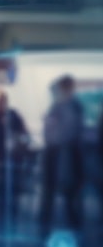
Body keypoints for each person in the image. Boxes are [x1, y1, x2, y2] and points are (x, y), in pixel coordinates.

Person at [39, 75, 85, 238]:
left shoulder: (72, 106)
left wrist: (52, 130)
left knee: (69, 193)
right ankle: (46, 226)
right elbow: (49, 129)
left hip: (66, 155)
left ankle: (74, 227)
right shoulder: (58, 106)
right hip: (55, 154)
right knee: (51, 192)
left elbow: (67, 132)